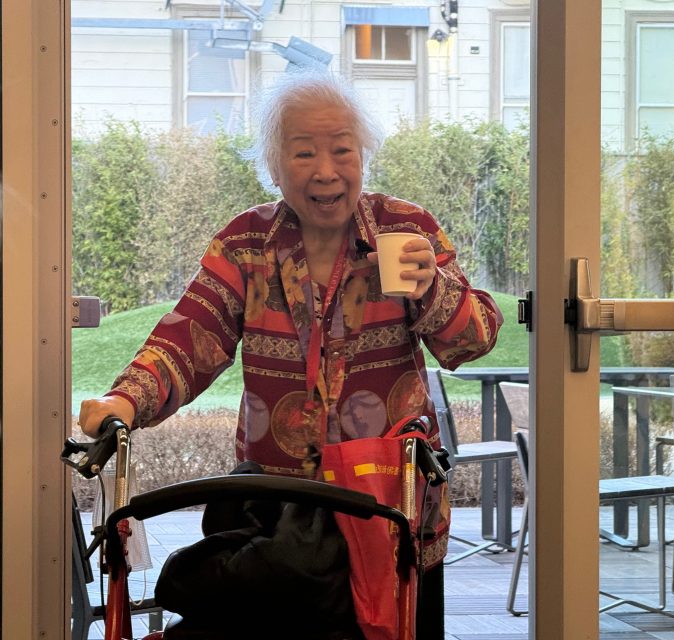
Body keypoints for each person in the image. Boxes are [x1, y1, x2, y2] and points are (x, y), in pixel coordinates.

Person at [78, 70, 504, 637]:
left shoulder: (407, 230)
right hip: (275, 517)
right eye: (303, 153)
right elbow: (191, 334)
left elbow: (473, 340)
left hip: (387, 513)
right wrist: (125, 400)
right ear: (274, 166)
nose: (326, 171)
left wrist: (434, 291)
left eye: (342, 150)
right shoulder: (246, 244)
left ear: (364, 156)